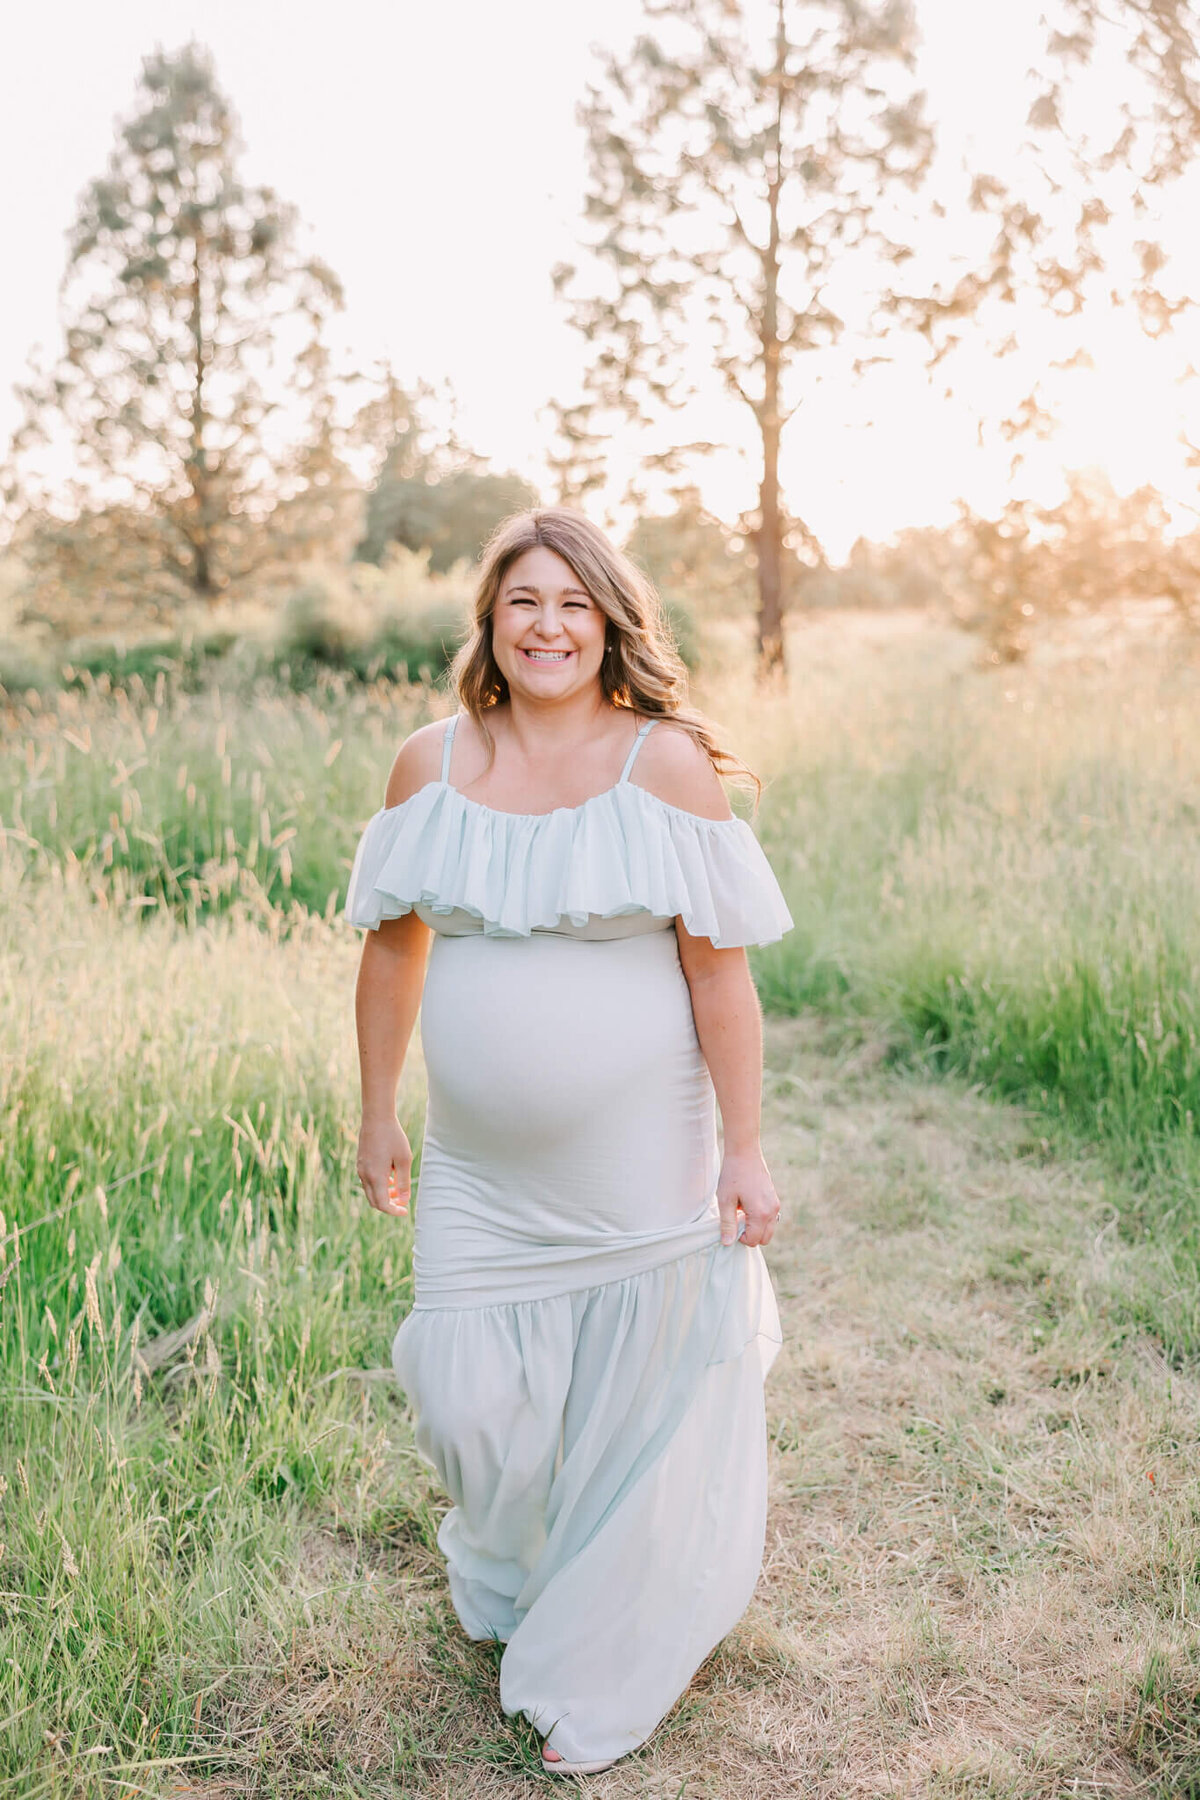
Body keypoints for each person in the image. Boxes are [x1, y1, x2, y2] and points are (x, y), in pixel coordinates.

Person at [345, 507, 793, 1776]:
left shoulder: (663, 767)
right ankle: (523, 1555)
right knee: (466, 1400)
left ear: (610, 624)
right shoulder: (428, 763)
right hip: (481, 1175)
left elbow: (721, 978)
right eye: (524, 602)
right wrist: (379, 1109)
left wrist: (744, 1150)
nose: (548, 627)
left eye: (573, 605)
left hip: (642, 1159)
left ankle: (606, 1650)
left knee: (636, 1400)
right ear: (490, 621)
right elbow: (393, 950)